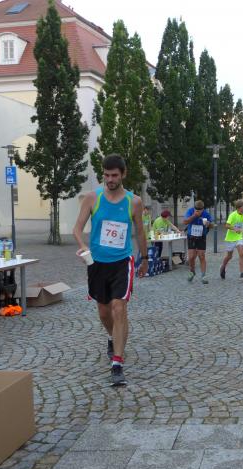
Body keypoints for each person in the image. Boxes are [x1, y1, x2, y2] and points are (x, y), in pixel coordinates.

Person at [73, 154, 148, 386]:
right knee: (104, 313)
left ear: (123, 174)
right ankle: (112, 336)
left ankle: (117, 363)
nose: (110, 179)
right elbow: (77, 229)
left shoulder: (134, 201)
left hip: (122, 262)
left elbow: (140, 231)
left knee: (118, 308)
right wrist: (82, 245)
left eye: (114, 175)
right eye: (106, 175)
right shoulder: (92, 198)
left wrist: (145, 258)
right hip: (97, 263)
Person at [220, 199, 243, 281]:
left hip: (239, 237)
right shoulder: (233, 215)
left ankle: (242, 273)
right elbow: (227, 225)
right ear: (238, 208)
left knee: (242, 253)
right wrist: (235, 228)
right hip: (230, 238)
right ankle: (223, 266)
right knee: (229, 256)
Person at [183, 200, 213, 284]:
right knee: (191, 257)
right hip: (191, 236)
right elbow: (185, 222)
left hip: (201, 236)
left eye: (200, 210)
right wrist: (194, 216)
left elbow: (213, 225)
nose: (198, 211)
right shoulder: (190, 211)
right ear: (194, 208)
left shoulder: (206, 214)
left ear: (203, 209)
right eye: (196, 210)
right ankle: (192, 271)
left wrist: (208, 224)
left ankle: (203, 275)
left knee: (201, 256)